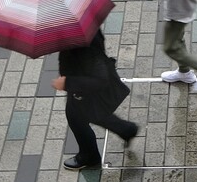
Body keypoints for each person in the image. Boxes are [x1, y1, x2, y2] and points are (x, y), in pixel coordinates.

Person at [54, 30, 138, 170]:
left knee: (78, 117)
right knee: (88, 114)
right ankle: (126, 129)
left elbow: (100, 79)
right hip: (80, 87)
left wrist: (67, 83)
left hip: (84, 90)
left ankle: (89, 156)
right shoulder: (82, 30)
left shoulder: (83, 46)